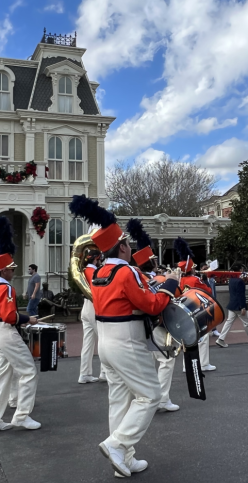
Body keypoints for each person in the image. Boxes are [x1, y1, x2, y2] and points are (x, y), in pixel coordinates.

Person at [70, 195, 180, 477]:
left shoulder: (98, 273)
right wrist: (169, 285)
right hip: (127, 342)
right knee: (150, 396)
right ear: (120, 246)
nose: (130, 248)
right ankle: (117, 444)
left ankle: (124, 460)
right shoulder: (125, 271)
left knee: (119, 399)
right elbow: (151, 305)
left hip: (106, 342)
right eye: (128, 244)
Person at [0, 216, 41, 433]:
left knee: (3, 375)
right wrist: (28, 318)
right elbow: (10, 317)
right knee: (28, 371)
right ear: (4, 270)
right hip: (6, 331)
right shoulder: (5, 288)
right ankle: (22, 415)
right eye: (11, 269)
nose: (13, 271)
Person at [127, 219, 179, 412]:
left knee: (147, 361)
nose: (157, 263)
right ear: (151, 262)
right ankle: (162, 399)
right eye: (155, 260)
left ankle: (144, 397)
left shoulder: (137, 278)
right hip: (157, 324)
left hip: (139, 326)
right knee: (166, 360)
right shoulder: (159, 278)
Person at [174, 237, 215, 372]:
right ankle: (203, 363)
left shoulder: (178, 280)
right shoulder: (195, 279)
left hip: (182, 311)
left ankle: (186, 365)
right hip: (196, 310)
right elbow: (208, 291)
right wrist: (204, 279)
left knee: (187, 339)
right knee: (203, 338)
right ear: (191, 268)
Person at [217, 264, 248, 348]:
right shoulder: (240, 281)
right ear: (239, 270)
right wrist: (243, 307)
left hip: (232, 304)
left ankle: (221, 339)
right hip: (239, 306)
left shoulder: (231, 280)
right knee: (246, 323)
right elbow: (241, 295)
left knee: (229, 322)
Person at [79, 245, 105, 385]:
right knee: (103, 338)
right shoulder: (93, 271)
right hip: (93, 306)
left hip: (85, 306)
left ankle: (85, 373)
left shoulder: (84, 270)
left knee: (88, 342)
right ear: (97, 259)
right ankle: (104, 372)